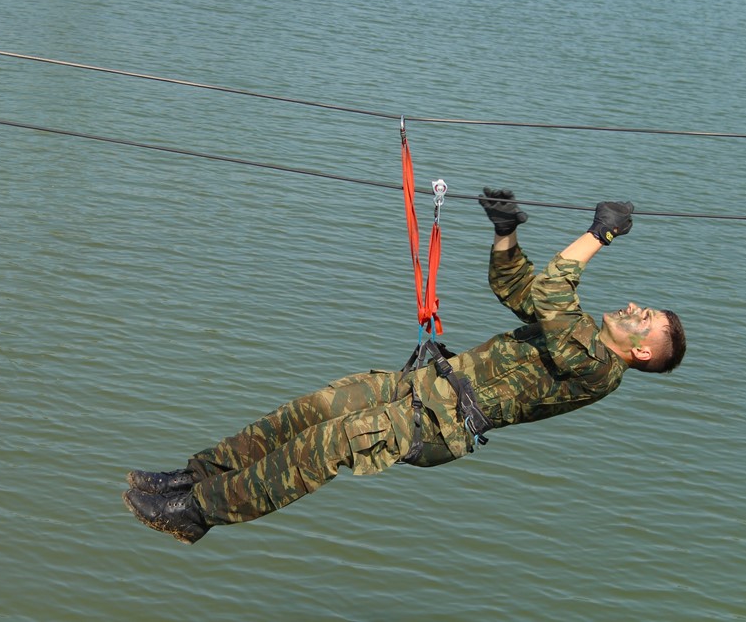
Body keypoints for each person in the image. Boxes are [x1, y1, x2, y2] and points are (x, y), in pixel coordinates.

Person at [122, 188, 687, 544]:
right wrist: (506, 232)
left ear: (640, 353)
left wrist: (599, 235)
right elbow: (520, 288)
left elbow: (553, 290)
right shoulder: (577, 332)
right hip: (422, 384)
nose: (635, 308)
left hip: (438, 423)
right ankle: (196, 476)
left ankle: (196, 512)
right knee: (311, 410)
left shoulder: (599, 370)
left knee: (325, 443)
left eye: (647, 320)